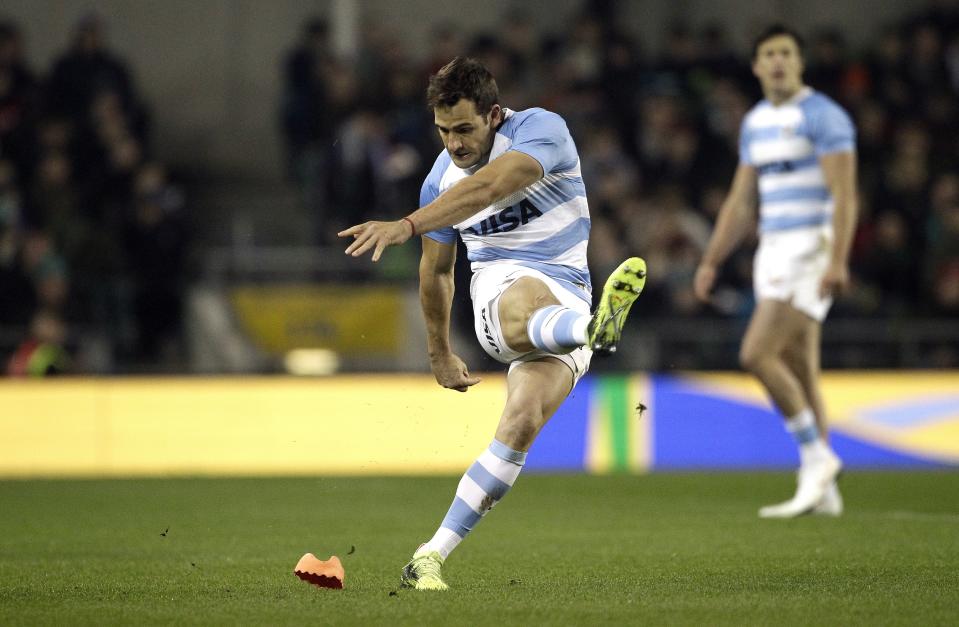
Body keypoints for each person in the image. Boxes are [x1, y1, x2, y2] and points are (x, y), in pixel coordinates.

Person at [339, 57, 645, 589]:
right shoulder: (438, 183)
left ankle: (428, 556)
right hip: (498, 297)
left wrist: (407, 225)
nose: (453, 144)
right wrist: (438, 352)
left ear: (495, 115)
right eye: (442, 131)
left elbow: (489, 188)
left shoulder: (542, 131)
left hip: (569, 293)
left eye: (463, 129)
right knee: (524, 296)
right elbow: (436, 273)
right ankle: (592, 330)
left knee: (520, 424)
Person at [693, 25, 857, 518]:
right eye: (770, 54)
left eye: (787, 52)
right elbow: (741, 202)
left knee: (757, 353)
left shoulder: (823, 116)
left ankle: (816, 455)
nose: (779, 61)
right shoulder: (756, 122)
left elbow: (845, 194)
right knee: (803, 368)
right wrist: (712, 258)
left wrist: (838, 258)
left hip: (810, 248)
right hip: (773, 252)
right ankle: (824, 492)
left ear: (800, 62)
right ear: (757, 66)